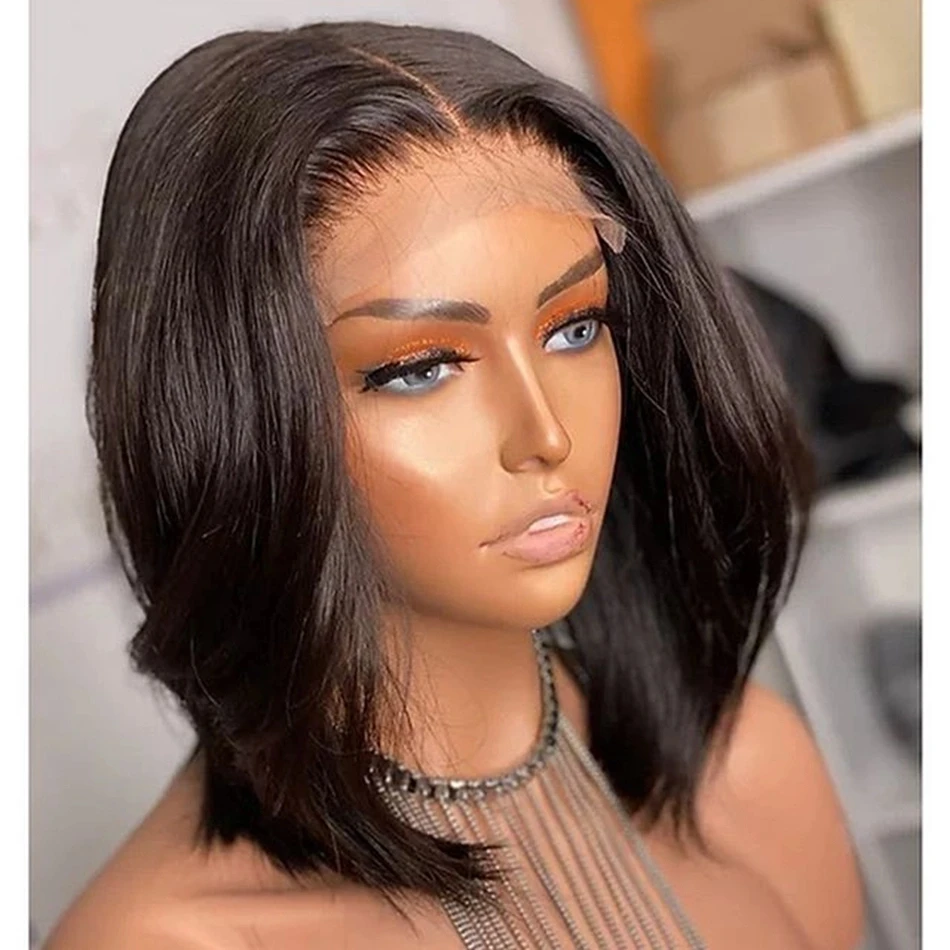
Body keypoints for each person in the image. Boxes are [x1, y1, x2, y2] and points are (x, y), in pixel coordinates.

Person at [44, 20, 864, 949]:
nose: (547, 434)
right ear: (235, 420)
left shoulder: (746, 774)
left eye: (574, 328)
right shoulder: (168, 940)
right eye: (420, 368)